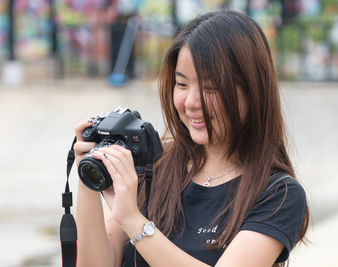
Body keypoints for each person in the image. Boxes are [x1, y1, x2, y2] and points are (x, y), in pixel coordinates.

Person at [73, 10, 309, 267]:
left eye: (211, 88)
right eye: (182, 85)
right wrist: (88, 178)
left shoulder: (279, 194)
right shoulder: (155, 164)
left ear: (251, 91)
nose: (192, 103)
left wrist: (133, 220)